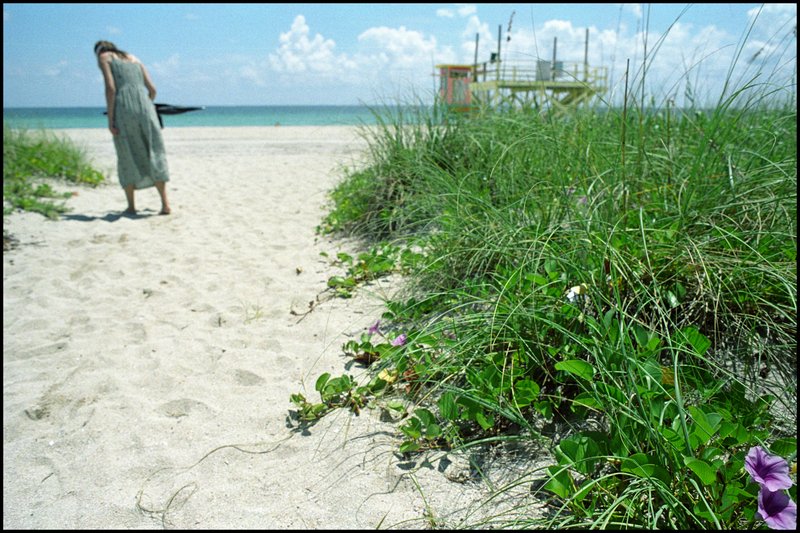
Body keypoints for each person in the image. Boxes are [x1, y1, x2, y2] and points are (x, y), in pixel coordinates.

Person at [95, 40, 171, 215]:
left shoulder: (104, 57)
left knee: (126, 152)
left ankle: (131, 206)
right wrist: (145, 106)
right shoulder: (134, 58)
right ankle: (165, 204)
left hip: (124, 107)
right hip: (146, 107)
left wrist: (111, 119)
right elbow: (152, 89)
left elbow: (111, 89)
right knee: (154, 150)